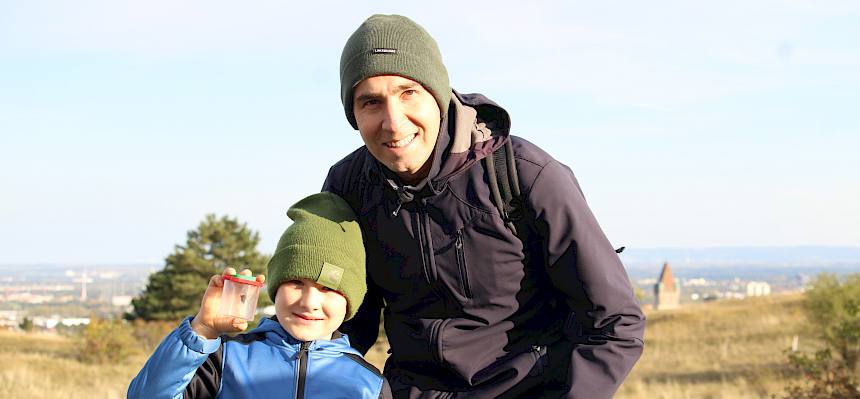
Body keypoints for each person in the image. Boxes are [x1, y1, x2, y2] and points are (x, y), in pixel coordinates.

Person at [323, 14, 646, 398]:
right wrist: (239, 343)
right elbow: (336, 326)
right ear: (354, 115)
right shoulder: (349, 187)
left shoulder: (525, 174)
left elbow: (615, 322)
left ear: (438, 96)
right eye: (371, 102)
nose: (393, 123)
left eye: (408, 92)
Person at [128, 192, 392, 399]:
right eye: (296, 282)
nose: (309, 302)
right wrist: (201, 331)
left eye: (328, 289)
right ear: (275, 288)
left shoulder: (368, 384)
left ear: (350, 301)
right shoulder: (227, 360)